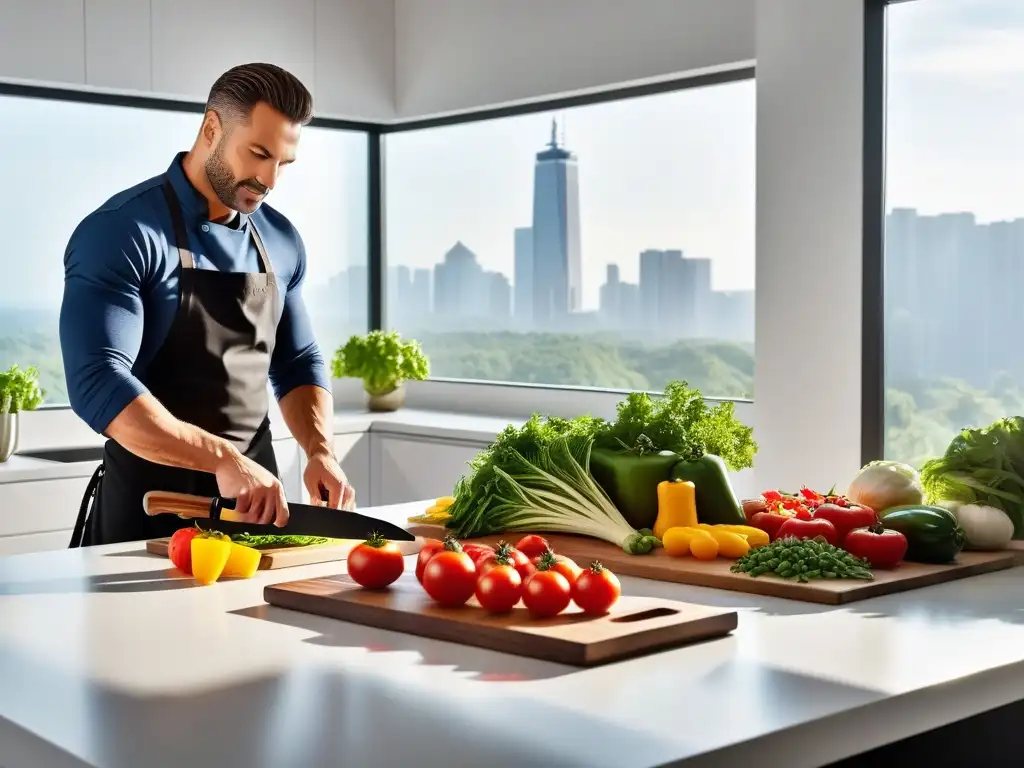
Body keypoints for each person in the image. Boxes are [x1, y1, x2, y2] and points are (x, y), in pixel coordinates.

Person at [61, 62, 355, 547]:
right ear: (211, 128)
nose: (269, 180)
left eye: (283, 164)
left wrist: (320, 451)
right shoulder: (122, 232)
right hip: (148, 509)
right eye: (258, 154)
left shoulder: (281, 240)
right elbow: (98, 381)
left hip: (257, 509)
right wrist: (222, 458)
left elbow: (297, 361)